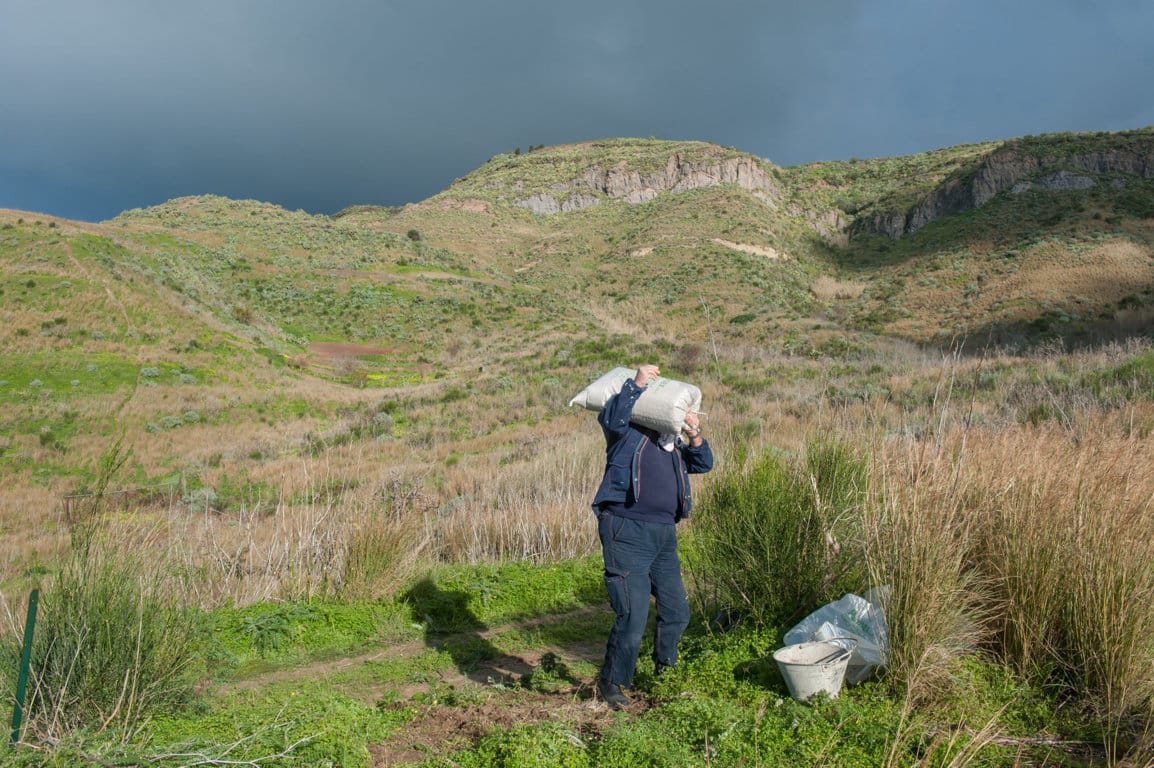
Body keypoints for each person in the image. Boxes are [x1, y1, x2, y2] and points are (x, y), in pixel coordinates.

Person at [591, 363, 714, 710]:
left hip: (664, 535)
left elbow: (703, 463)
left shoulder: (669, 442)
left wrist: (693, 433)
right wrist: (638, 383)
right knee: (632, 614)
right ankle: (613, 682)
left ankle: (666, 671)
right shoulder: (626, 434)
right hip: (626, 528)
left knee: (677, 611)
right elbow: (611, 417)